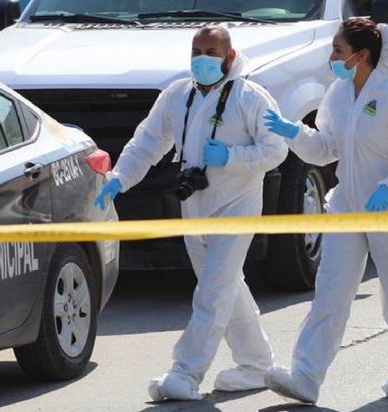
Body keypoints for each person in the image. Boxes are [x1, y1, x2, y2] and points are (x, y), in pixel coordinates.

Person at [94, 25, 288, 401]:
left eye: (211, 51)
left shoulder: (250, 96)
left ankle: (185, 372)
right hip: (195, 208)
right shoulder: (177, 96)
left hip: (237, 206)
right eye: (196, 50)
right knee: (227, 288)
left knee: (212, 292)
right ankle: (255, 364)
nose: (202, 58)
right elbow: (148, 142)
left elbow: (275, 149)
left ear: (229, 57)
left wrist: (231, 157)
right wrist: (120, 179)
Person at [262, 18, 388, 404]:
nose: (331, 57)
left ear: (362, 56)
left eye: (338, 50)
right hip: (346, 207)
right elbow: (326, 149)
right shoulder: (338, 93)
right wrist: (293, 131)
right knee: (330, 293)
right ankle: (305, 376)